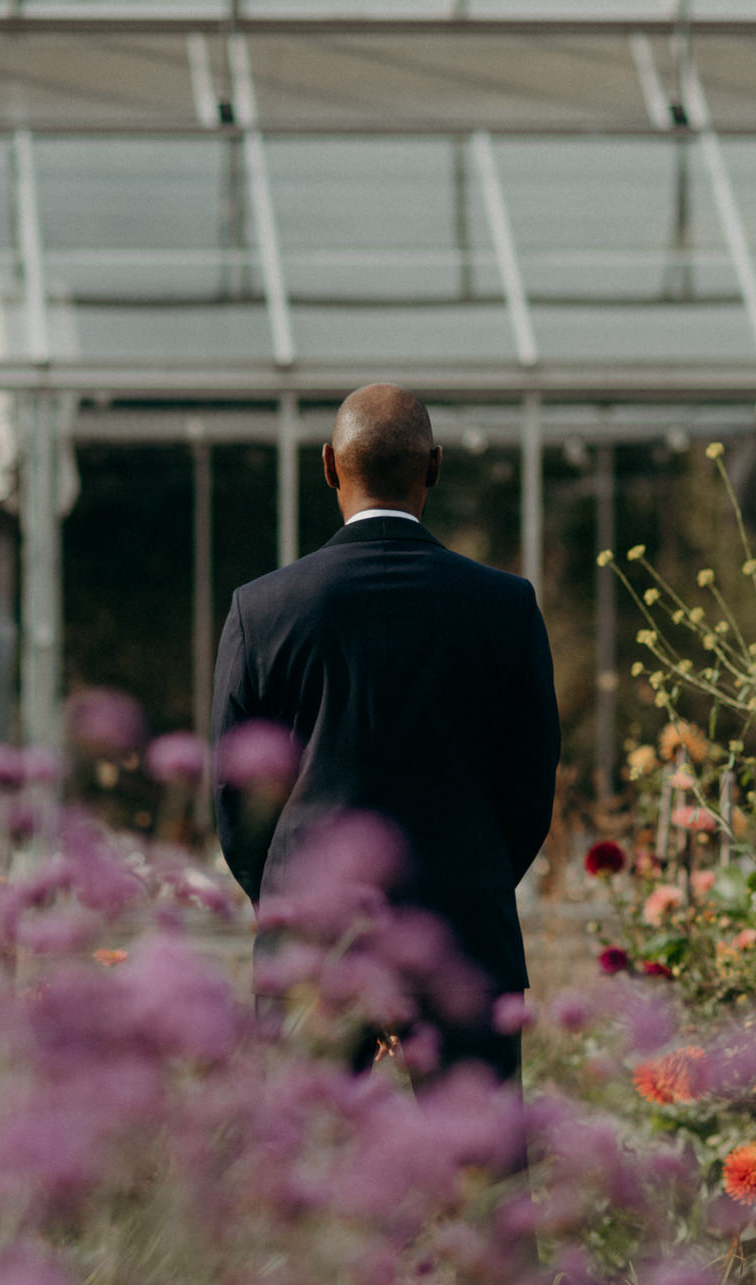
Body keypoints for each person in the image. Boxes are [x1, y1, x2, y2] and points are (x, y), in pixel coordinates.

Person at [212, 382, 560, 1088]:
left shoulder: (264, 610)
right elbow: (529, 785)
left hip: (315, 943)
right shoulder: (505, 607)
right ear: (434, 466)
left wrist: (287, 898)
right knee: (481, 1179)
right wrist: (472, 882)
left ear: (329, 466)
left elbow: (236, 798)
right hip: (464, 939)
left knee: (305, 1171)